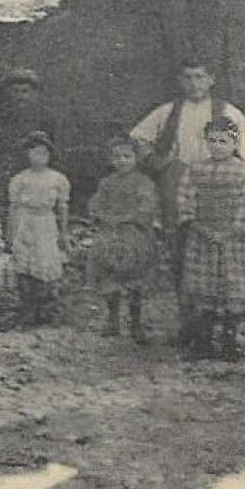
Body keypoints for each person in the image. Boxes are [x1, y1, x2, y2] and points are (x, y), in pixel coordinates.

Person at [131, 58, 245, 307]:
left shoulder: (229, 113)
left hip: (220, 186)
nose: (194, 83)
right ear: (180, 81)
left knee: (224, 251)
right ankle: (190, 319)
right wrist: (157, 162)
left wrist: (242, 185)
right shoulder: (168, 111)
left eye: (200, 77)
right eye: (188, 77)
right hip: (180, 184)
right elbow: (137, 137)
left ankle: (229, 316)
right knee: (182, 247)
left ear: (211, 80)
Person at [173, 119, 245, 359]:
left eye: (223, 141)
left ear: (235, 143)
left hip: (234, 241)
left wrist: (232, 231)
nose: (217, 146)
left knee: (232, 290)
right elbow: (185, 198)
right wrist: (195, 224)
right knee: (204, 291)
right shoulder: (196, 169)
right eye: (212, 141)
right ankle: (202, 342)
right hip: (203, 238)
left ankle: (229, 341)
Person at [86, 135, 160, 344]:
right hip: (111, 233)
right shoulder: (106, 183)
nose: (122, 161)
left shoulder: (144, 183)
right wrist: (103, 217)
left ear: (136, 158)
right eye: (117, 157)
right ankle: (112, 319)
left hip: (135, 234)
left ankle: (135, 322)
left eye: (127, 156)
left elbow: (146, 207)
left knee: (135, 279)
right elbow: (96, 205)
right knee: (109, 276)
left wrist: (128, 219)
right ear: (110, 160)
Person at [6, 131, 71, 325]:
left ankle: (46, 308)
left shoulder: (57, 179)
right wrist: (11, 231)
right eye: (34, 152)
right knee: (25, 264)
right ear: (27, 154)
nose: (38, 157)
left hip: (46, 223)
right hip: (25, 222)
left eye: (43, 153)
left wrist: (64, 232)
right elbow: (13, 206)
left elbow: (62, 207)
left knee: (44, 263)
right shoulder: (20, 179)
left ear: (49, 155)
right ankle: (27, 307)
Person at [0, 69, 61, 208]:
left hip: (35, 174)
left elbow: (53, 151)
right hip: (10, 174)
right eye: (15, 92)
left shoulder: (46, 117)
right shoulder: (5, 116)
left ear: (35, 93)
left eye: (24, 92)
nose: (20, 96)